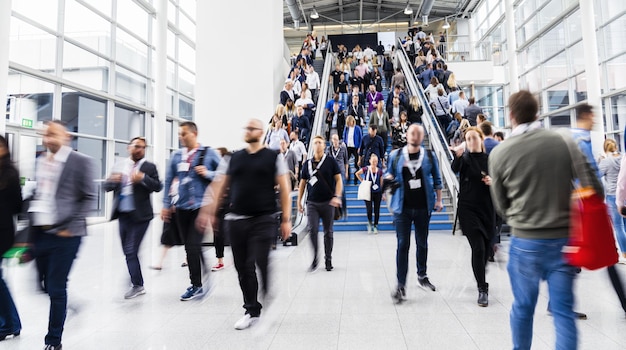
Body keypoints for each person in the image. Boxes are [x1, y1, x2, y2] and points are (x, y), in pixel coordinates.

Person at [489, 91, 603, 350]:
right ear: (537, 111)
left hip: (525, 242)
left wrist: (521, 217)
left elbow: (501, 206)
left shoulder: (500, 153)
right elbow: (595, 187)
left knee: (523, 308)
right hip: (564, 242)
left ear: (511, 116)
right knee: (563, 312)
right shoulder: (564, 141)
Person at [196, 119, 292, 330]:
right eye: (246, 128)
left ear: (261, 132)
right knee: (242, 268)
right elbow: (218, 185)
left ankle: (268, 299)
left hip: (264, 219)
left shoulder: (273, 157)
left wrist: (286, 219)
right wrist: (208, 211)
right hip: (236, 220)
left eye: (252, 128)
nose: (248, 131)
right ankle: (252, 310)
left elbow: (285, 188)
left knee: (261, 260)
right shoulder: (233, 157)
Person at [29, 120, 96, 350]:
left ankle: (53, 340)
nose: (48, 139)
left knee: (57, 286)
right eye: (45, 135)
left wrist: (72, 225)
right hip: (41, 231)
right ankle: (68, 304)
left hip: (67, 234)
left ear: (66, 136)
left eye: (53, 134)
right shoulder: (40, 160)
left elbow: (88, 196)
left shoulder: (80, 161)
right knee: (40, 285)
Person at [161, 121, 221, 301]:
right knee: (189, 247)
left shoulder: (209, 153)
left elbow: (224, 175)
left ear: (194, 134)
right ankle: (200, 282)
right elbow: (168, 180)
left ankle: (197, 284)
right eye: (179, 134)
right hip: (181, 207)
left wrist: (208, 173)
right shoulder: (176, 156)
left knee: (193, 245)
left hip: (200, 207)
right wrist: (165, 205)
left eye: (184, 134)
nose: (181, 137)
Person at [386, 124, 443, 303]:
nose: (415, 136)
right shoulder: (395, 156)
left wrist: (439, 200)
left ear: (422, 136)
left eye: (418, 134)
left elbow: (437, 180)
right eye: (412, 133)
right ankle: (401, 285)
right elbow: (388, 174)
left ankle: (422, 275)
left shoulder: (430, 156)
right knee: (402, 245)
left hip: (422, 207)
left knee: (422, 243)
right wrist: (388, 180)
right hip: (402, 208)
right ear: (407, 135)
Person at [104, 136, 163, 299]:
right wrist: (112, 181)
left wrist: (143, 178)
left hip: (141, 216)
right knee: (128, 251)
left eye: (143, 147)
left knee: (131, 250)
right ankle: (134, 276)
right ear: (128, 148)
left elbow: (158, 186)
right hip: (123, 214)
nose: (140, 150)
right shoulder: (119, 165)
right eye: (137, 146)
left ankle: (138, 285)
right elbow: (106, 187)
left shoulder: (149, 167)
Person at [451, 127, 494, 307]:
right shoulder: (465, 159)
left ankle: (480, 272)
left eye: (474, 138)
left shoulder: (490, 160)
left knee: (485, 248)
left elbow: (501, 178)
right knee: (478, 247)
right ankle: (482, 289)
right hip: (467, 209)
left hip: (487, 208)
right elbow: (455, 168)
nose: (471, 142)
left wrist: (493, 181)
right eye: (468, 139)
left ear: (481, 139)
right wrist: (458, 155)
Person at [298, 135, 343, 272]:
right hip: (312, 203)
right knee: (313, 230)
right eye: (315, 143)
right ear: (312, 146)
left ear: (324, 145)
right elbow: (302, 183)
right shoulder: (307, 164)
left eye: (320, 142)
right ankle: (314, 258)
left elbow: (339, 180)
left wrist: (337, 196)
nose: (317, 145)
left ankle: (328, 258)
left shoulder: (330, 161)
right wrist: (299, 201)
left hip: (328, 202)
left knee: (328, 232)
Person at [0, 135, 22, 341]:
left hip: (3, 232)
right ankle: (12, 322)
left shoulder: (10, 173)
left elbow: (18, 206)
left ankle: (9, 324)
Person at [355, 153, 384, 234]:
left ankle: (375, 225)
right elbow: (357, 173)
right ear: (370, 161)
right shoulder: (366, 169)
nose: (374, 162)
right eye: (373, 161)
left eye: (376, 161)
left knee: (377, 210)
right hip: (368, 192)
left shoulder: (380, 171)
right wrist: (362, 181)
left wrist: (382, 193)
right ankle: (370, 223)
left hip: (377, 193)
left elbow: (381, 182)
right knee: (369, 209)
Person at [343, 116, 363, 185]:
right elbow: (344, 137)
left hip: (355, 148)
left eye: (350, 122)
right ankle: (347, 178)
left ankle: (355, 179)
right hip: (348, 147)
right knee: (346, 162)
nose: (349, 124)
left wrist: (360, 147)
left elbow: (361, 138)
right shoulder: (346, 128)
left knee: (356, 163)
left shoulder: (357, 128)